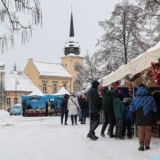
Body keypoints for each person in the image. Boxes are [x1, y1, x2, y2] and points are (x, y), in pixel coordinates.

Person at [130, 84, 157, 151]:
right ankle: (147, 145)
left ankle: (141, 146)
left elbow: (132, 109)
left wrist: (134, 118)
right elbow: (154, 109)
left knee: (140, 131)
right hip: (148, 116)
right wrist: (155, 117)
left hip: (139, 116)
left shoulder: (135, 99)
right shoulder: (151, 98)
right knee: (148, 131)